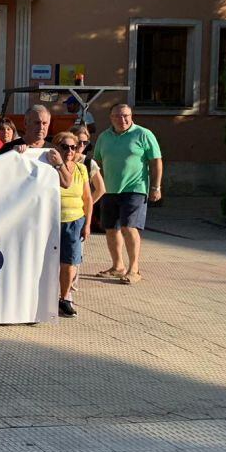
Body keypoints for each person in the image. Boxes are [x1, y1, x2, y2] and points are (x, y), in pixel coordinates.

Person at [93, 104, 163, 285]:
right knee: (110, 229)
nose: (122, 119)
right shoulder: (104, 136)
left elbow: (156, 162)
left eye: (125, 116)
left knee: (129, 227)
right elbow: (97, 162)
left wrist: (156, 187)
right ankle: (118, 267)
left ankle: (134, 269)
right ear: (111, 118)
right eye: (117, 116)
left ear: (131, 116)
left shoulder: (143, 134)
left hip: (135, 189)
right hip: (109, 189)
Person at [51, 131, 93, 318]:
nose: (69, 151)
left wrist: (88, 224)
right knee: (50, 260)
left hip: (75, 219)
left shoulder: (81, 169)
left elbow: (87, 198)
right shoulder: (49, 166)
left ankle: (65, 297)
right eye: (65, 147)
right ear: (57, 148)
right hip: (51, 219)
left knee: (70, 261)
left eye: (73, 147)